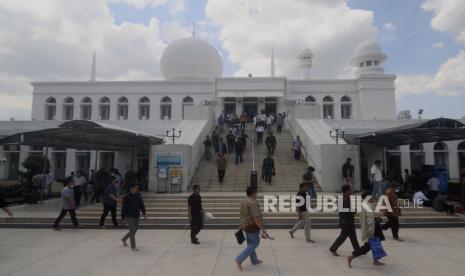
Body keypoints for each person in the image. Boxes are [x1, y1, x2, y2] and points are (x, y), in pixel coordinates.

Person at [347, 193, 386, 268]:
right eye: (371, 196)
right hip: (372, 229)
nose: (373, 198)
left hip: (368, 228)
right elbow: (370, 220)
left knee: (375, 245)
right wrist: (371, 231)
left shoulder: (363, 205)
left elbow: (365, 218)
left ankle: (376, 261)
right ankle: (351, 257)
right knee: (368, 247)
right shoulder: (369, 206)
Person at [235, 186, 268, 271]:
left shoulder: (243, 200)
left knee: (250, 243)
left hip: (245, 225)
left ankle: (254, 260)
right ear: (253, 193)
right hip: (252, 226)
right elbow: (255, 217)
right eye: (256, 192)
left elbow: (241, 214)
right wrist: (262, 229)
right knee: (255, 243)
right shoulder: (252, 202)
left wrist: (241, 224)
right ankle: (239, 259)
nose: (257, 194)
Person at [329, 184, 360, 256]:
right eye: (350, 189)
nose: (351, 191)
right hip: (346, 222)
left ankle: (358, 250)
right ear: (347, 190)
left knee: (353, 237)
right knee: (342, 237)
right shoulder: (344, 199)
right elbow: (345, 211)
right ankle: (333, 249)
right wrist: (354, 210)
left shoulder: (345, 198)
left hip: (348, 221)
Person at [121, 183, 147, 252]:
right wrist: (123, 217)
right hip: (130, 216)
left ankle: (124, 239)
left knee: (135, 230)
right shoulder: (126, 197)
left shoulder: (138, 195)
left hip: (137, 215)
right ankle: (133, 247)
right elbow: (123, 208)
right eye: (135, 187)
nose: (136, 189)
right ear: (131, 188)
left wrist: (144, 213)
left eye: (137, 188)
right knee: (132, 231)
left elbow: (141, 204)